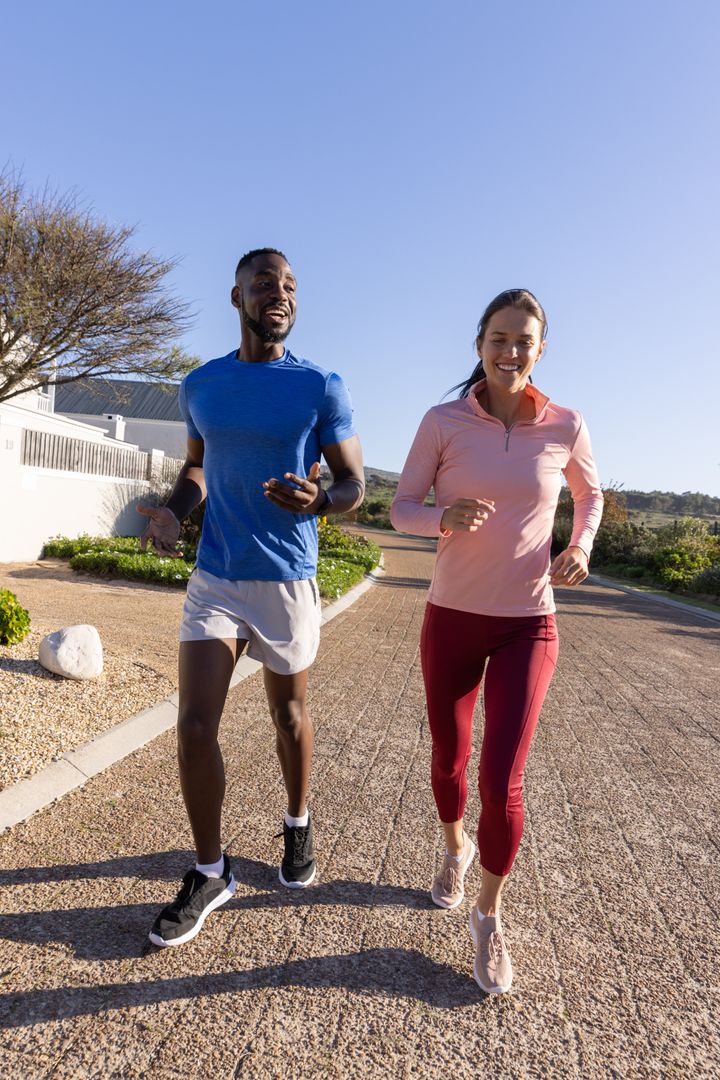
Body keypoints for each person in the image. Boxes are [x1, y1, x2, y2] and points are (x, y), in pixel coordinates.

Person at [138, 248, 364, 948]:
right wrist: (177, 510)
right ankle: (211, 872)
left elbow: (356, 488)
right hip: (217, 576)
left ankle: (298, 822)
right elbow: (199, 467)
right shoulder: (201, 384)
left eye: (291, 286)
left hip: (288, 579)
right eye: (266, 282)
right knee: (196, 725)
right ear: (236, 294)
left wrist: (320, 501)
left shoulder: (320, 386)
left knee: (289, 714)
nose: (281, 294)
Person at [390, 289, 603, 994]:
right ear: (479, 344)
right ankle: (453, 852)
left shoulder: (566, 425)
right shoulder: (444, 420)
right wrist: (442, 516)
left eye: (525, 340)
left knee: (501, 779)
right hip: (451, 613)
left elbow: (590, 496)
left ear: (542, 349)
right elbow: (401, 509)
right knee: (450, 758)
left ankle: (487, 916)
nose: (511, 351)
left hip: (529, 622)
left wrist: (581, 545)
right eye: (499, 338)